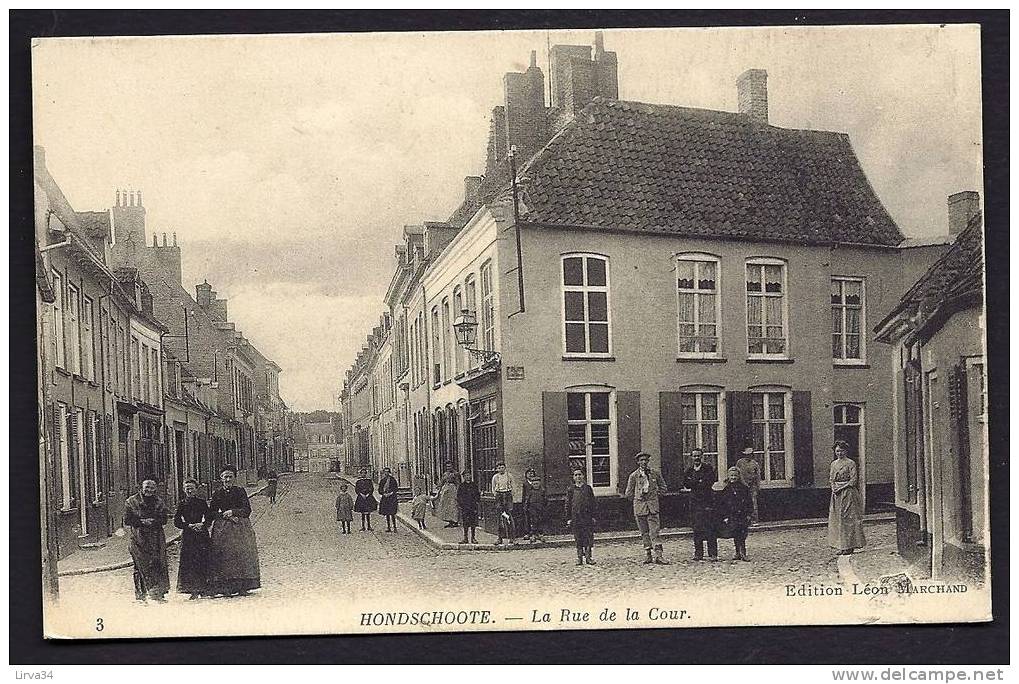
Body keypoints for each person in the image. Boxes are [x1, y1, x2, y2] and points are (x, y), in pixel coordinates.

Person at [206, 466, 261, 597]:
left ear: (234, 478)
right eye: (225, 476)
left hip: (240, 527)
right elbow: (211, 512)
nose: (228, 479)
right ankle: (226, 587)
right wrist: (225, 515)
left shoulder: (240, 491)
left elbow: (247, 510)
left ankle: (243, 586)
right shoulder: (217, 493)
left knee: (241, 555)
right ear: (221, 478)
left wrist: (234, 512)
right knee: (224, 556)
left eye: (230, 476)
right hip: (223, 528)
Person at [123, 479, 171, 602]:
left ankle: (158, 593)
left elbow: (164, 519)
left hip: (156, 538)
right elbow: (128, 520)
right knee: (139, 565)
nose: (149, 490)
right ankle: (140, 594)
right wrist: (142, 522)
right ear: (141, 487)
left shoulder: (159, 502)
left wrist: (153, 521)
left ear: (155, 489)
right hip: (138, 537)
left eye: (152, 488)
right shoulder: (131, 501)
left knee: (157, 563)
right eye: (147, 487)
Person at [624, 452, 670, 565]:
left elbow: (663, 487)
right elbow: (628, 493)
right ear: (638, 462)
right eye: (641, 460)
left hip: (653, 507)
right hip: (640, 508)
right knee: (644, 532)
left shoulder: (655, 474)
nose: (643, 462)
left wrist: (655, 496)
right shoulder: (633, 476)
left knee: (655, 532)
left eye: (645, 460)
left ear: (648, 461)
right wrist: (638, 499)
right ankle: (648, 554)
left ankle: (659, 556)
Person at [173, 477, 210, 599]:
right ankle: (193, 590)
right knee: (190, 563)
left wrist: (203, 525)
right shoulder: (182, 504)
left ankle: (204, 589)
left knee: (203, 560)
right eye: (187, 489)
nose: (189, 491)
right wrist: (188, 525)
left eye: (192, 488)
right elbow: (177, 521)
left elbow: (209, 517)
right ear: (184, 490)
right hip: (189, 536)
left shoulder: (202, 502)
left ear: (196, 490)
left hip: (201, 535)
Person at [829, 440, 866, 555]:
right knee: (838, 519)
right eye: (837, 451)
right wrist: (833, 488)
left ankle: (850, 546)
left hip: (848, 493)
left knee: (848, 519)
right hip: (836, 495)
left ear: (846, 451)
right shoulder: (834, 464)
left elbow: (853, 480)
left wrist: (840, 488)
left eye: (842, 451)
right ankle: (841, 545)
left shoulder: (851, 463)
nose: (839, 453)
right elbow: (831, 479)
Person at [683, 448, 718, 561]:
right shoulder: (689, 471)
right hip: (694, 503)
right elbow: (687, 484)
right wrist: (699, 481)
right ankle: (698, 553)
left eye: (699, 456)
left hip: (707, 501)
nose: (697, 458)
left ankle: (713, 554)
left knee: (710, 528)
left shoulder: (708, 469)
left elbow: (710, 481)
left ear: (702, 457)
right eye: (694, 456)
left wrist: (696, 482)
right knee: (697, 528)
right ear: (691, 457)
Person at [717, 466, 753, 561]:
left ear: (739, 476)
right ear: (729, 476)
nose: (733, 477)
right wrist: (725, 516)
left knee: (742, 533)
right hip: (732, 515)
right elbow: (722, 504)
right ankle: (737, 552)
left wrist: (749, 514)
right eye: (731, 476)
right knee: (735, 532)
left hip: (742, 514)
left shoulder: (744, 488)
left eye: (735, 476)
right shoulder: (726, 489)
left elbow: (749, 502)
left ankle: (743, 552)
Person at [565, 468, 597, 565]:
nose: (578, 477)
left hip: (587, 517)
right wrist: (568, 518)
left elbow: (593, 503)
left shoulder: (587, 488)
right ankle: (579, 558)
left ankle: (588, 557)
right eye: (576, 475)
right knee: (578, 537)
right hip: (576, 517)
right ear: (573, 477)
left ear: (583, 476)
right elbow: (568, 504)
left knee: (588, 537)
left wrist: (593, 516)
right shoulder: (571, 489)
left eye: (580, 474)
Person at [734, 445, 762, 524]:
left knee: (753, 503)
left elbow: (758, 476)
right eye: (746, 455)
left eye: (749, 455)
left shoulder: (755, 464)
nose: (748, 456)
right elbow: (736, 472)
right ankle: (742, 520)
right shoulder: (740, 462)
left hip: (752, 486)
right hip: (742, 485)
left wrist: (758, 486)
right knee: (741, 502)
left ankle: (754, 520)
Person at [491, 463, 516, 545]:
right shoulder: (495, 477)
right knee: (500, 517)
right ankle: (500, 538)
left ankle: (512, 537)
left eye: (502, 467)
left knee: (509, 516)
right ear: (497, 469)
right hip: (499, 496)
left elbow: (513, 486)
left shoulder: (509, 476)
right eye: (499, 468)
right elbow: (493, 487)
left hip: (508, 495)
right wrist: (496, 495)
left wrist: (510, 495)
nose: (501, 469)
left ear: (505, 468)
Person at [522, 467, 546, 543]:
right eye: (529, 473)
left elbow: (545, 499)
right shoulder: (526, 485)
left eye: (532, 473)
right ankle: (530, 533)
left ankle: (539, 534)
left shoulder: (541, 490)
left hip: (539, 507)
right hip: (531, 506)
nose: (531, 474)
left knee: (539, 520)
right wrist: (525, 504)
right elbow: (525, 496)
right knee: (530, 520)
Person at [456, 470, 481, 544]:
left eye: (468, 475)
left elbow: (477, 494)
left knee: (473, 523)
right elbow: (459, 496)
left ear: (471, 476)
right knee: (465, 523)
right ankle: (465, 538)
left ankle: (473, 538)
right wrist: (461, 504)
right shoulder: (461, 486)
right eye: (466, 476)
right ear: (463, 477)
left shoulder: (474, 485)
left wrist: (476, 503)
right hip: (465, 507)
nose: (467, 477)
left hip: (473, 506)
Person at [435, 464, 461, 528]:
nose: (448, 468)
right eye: (447, 467)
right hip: (446, 490)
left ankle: (455, 521)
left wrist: (458, 492)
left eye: (450, 466)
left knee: (453, 505)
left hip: (453, 490)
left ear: (452, 466)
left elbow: (458, 483)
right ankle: (450, 521)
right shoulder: (445, 474)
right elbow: (442, 482)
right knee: (447, 506)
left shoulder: (456, 474)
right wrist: (439, 486)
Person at [378, 467, 399, 533]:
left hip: (392, 498)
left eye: (387, 472)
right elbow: (380, 489)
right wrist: (383, 494)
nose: (386, 473)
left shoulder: (393, 480)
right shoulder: (382, 480)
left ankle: (395, 527)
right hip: (385, 498)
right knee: (387, 513)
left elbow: (396, 488)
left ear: (389, 472)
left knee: (392, 513)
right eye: (385, 472)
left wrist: (391, 493)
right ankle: (389, 527)